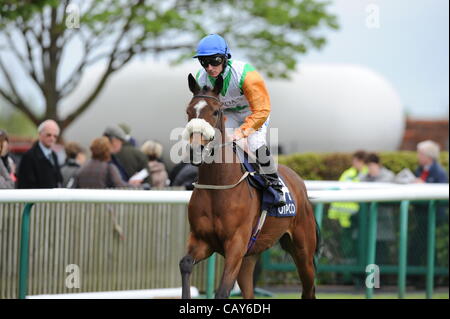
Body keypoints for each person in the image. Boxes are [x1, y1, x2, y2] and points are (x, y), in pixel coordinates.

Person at [192, 34, 285, 207]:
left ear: (226, 57)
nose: (210, 67)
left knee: (254, 142)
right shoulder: (201, 78)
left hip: (254, 113)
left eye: (215, 61)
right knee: (217, 144)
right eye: (204, 62)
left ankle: (275, 185)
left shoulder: (246, 75)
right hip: (228, 114)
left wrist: (242, 132)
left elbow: (262, 110)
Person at [409, 140, 448, 287]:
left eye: (420, 153)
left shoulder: (439, 172)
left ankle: (432, 280)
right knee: (417, 248)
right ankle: (417, 279)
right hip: (420, 217)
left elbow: (441, 193)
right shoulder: (419, 170)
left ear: (428, 155)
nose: (418, 156)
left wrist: (424, 186)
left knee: (429, 248)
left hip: (433, 218)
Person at [16, 120, 63, 188]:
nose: (52, 138)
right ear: (40, 134)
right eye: (48, 135)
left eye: (55, 136)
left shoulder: (54, 155)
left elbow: (58, 180)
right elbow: (25, 184)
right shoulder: (29, 156)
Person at [328, 150, 368, 228]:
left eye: (355, 161)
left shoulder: (368, 173)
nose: (353, 163)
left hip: (358, 216)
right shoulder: (348, 173)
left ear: (361, 161)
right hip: (341, 217)